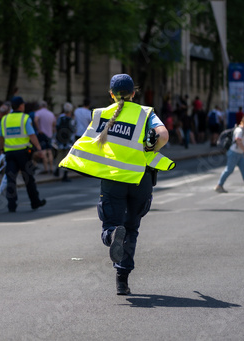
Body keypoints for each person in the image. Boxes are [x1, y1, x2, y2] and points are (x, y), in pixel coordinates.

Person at [59, 74, 175, 295]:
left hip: (113, 179)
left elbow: (88, 143)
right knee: (132, 229)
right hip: (140, 180)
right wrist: (151, 147)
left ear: (111, 94)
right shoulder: (145, 113)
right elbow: (163, 134)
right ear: (134, 93)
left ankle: (112, 235)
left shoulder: (101, 114)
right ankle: (122, 279)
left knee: (112, 225)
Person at [0, 96, 46, 213]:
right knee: (29, 178)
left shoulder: (4, 119)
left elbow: (0, 136)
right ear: (20, 106)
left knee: (11, 179)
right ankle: (35, 202)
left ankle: (11, 205)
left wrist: (1, 149)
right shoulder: (25, 118)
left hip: (9, 153)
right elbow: (32, 135)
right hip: (23, 153)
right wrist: (39, 148)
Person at [215, 115, 244, 194]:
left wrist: (243, 153)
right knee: (229, 170)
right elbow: (238, 141)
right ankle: (219, 185)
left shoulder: (243, 130)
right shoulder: (240, 130)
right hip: (234, 153)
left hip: (239, 154)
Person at [53, 102, 76, 182]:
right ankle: (65, 174)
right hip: (68, 141)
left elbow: (56, 127)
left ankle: (56, 169)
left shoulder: (60, 118)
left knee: (59, 155)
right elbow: (73, 130)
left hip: (60, 139)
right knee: (67, 157)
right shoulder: (71, 119)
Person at [34, 100, 56, 174]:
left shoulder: (38, 113)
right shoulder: (51, 113)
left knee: (43, 151)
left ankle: (46, 169)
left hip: (42, 134)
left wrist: (38, 129)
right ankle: (51, 168)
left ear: (40, 106)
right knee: (49, 151)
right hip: (49, 134)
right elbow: (54, 123)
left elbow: (35, 120)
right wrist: (52, 129)